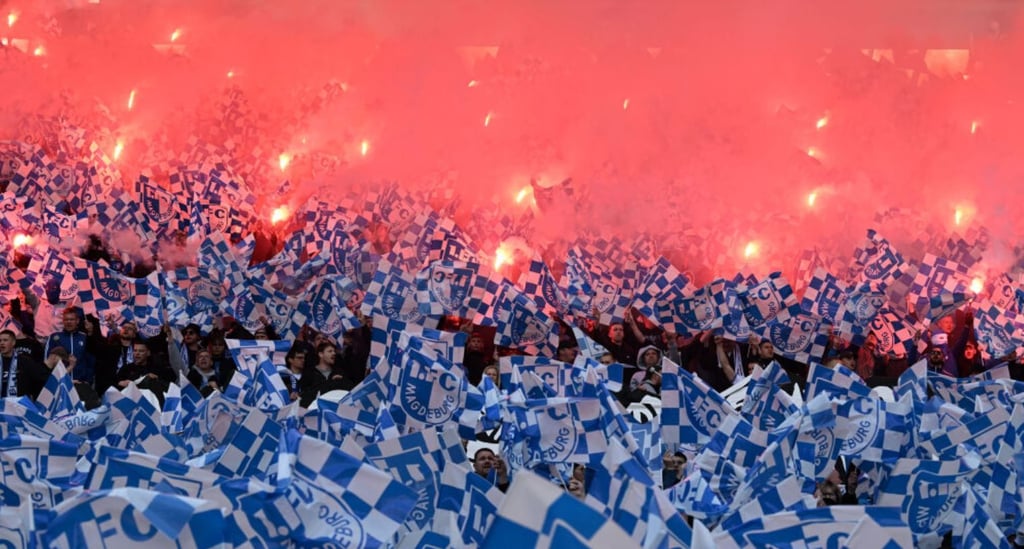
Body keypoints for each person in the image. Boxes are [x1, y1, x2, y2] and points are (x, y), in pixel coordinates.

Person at [44, 307, 95, 386]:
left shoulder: (84, 337)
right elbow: (47, 362)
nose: (69, 322)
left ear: (77, 321)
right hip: (60, 383)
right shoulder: (54, 337)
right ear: (63, 321)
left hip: (80, 383)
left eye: (72, 319)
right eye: (66, 319)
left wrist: (88, 380)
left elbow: (90, 360)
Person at [299, 342, 353, 407]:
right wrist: (330, 382)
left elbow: (349, 390)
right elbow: (305, 394)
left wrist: (342, 381)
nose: (334, 353)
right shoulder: (310, 373)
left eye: (334, 351)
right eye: (330, 351)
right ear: (321, 354)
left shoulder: (339, 372)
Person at [0, 329, 49, 400]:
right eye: (0, 340)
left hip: (18, 406)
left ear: (13, 343)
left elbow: (41, 377)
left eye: (5, 340)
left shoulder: (25, 361)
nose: (2, 343)